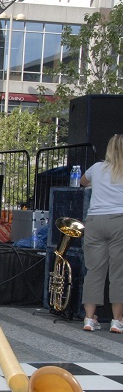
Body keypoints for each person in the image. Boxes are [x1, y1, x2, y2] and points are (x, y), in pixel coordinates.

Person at [80, 134, 123, 333]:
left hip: (95, 221)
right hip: (119, 221)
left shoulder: (96, 168)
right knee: (118, 273)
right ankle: (116, 321)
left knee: (94, 271)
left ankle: (89, 319)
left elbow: (82, 182)